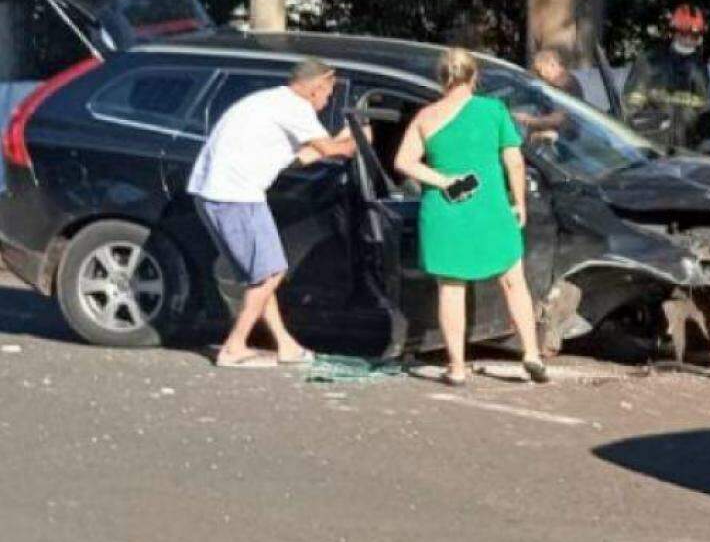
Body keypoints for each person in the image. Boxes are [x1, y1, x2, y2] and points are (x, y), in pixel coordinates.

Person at [189, 57, 359, 368]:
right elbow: (333, 151)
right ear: (316, 86)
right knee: (271, 273)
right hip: (236, 196)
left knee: (261, 276)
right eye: (329, 91)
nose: (329, 98)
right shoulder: (296, 108)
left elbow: (302, 157)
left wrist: (339, 141)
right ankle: (234, 347)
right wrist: (360, 138)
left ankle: (286, 346)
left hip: (215, 192)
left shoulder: (271, 101)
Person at [393, 48, 549, 387]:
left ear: (440, 79)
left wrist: (442, 180)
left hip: (445, 211)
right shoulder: (493, 111)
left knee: (451, 289)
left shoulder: (426, 117)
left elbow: (404, 162)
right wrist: (518, 201)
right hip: (491, 208)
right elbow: (515, 161)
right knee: (513, 280)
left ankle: (457, 367)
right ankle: (532, 354)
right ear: (474, 76)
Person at [622, 4, 710, 153]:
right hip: (651, 151)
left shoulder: (699, 69)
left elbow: (706, 116)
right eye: (685, 33)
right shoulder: (650, 62)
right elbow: (631, 109)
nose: (690, 40)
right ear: (675, 32)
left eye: (696, 35)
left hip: (686, 153)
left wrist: (708, 154)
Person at [513, 49, 585, 141]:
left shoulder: (565, 84)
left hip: (565, 136)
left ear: (553, 65)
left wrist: (529, 120)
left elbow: (558, 119)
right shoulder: (553, 83)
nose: (541, 75)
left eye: (542, 70)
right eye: (538, 72)